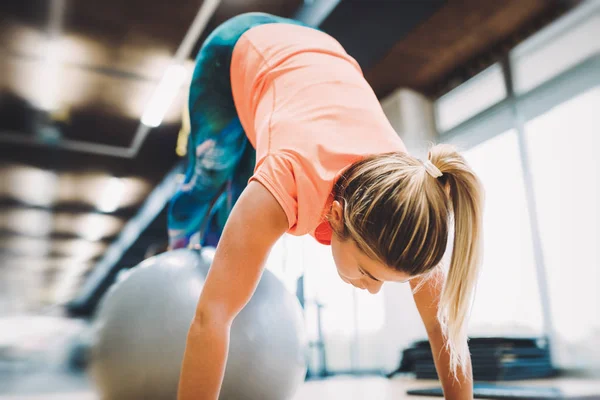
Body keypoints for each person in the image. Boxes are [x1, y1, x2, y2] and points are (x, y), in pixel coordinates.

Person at [172, 12, 484, 400]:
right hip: (241, 46)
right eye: (370, 274)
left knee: (239, 195)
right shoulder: (285, 182)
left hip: (320, 55)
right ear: (336, 215)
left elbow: (444, 332)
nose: (371, 291)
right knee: (212, 172)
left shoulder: (412, 210)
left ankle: (225, 225)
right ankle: (180, 241)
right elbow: (211, 317)